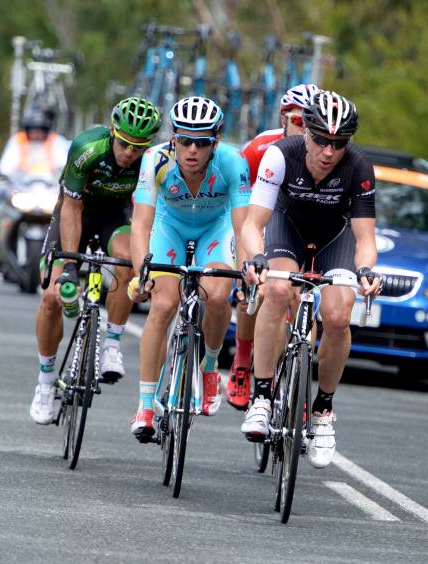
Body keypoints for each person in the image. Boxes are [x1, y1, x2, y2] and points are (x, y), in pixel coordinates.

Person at [239, 91, 381, 468]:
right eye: (320, 139)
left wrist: (366, 271)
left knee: (338, 314)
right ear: (305, 133)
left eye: (338, 143)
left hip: (335, 238)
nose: (329, 151)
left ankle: (323, 409)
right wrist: (256, 257)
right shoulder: (279, 155)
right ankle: (263, 395)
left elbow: (365, 239)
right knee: (279, 288)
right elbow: (254, 224)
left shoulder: (359, 167)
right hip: (288, 231)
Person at [28, 97, 161, 424]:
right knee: (50, 298)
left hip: (115, 217)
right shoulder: (88, 147)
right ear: (113, 132)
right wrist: (70, 267)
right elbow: (70, 209)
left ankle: (112, 345)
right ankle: (45, 383)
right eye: (125, 143)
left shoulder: (152, 163)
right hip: (77, 214)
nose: (130, 152)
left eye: (139, 146)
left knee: (127, 260)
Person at [129, 96, 251, 442]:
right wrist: (142, 273)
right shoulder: (155, 160)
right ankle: (145, 406)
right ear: (173, 139)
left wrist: (244, 274)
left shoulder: (232, 162)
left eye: (202, 141)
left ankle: (210, 365)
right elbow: (140, 225)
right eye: (185, 140)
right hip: (171, 228)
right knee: (164, 304)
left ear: (216, 141)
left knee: (218, 294)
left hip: (216, 228)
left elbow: (243, 228)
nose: (192, 149)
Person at [225, 83, 321, 410]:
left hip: (303, 228)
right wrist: (245, 261)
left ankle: (299, 382)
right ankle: (242, 359)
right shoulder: (260, 148)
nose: (306, 131)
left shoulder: (326, 152)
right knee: (256, 289)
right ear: (284, 117)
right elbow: (241, 208)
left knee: (303, 295)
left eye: (314, 123)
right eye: (299, 122)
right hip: (263, 221)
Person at [0, 109, 70, 186]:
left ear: (45, 130)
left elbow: (65, 163)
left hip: (51, 187)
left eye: (40, 130)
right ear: (27, 130)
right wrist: (5, 173)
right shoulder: (17, 140)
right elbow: (6, 165)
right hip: (22, 186)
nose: (36, 134)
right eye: (32, 130)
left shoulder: (56, 141)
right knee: (1, 190)